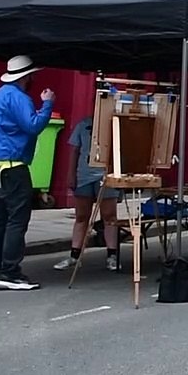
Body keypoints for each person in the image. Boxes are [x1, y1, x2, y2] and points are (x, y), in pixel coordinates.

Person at [0, 55, 55, 291]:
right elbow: (33, 125)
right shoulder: (19, 98)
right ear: (26, 76)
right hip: (13, 166)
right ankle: (9, 272)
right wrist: (47, 104)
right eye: (32, 75)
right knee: (17, 220)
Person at [53, 116, 119, 272]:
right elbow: (75, 151)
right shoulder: (83, 124)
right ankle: (75, 255)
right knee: (82, 216)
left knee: (109, 216)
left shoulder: (114, 123)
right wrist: (71, 174)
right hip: (84, 175)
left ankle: (112, 255)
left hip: (106, 175)